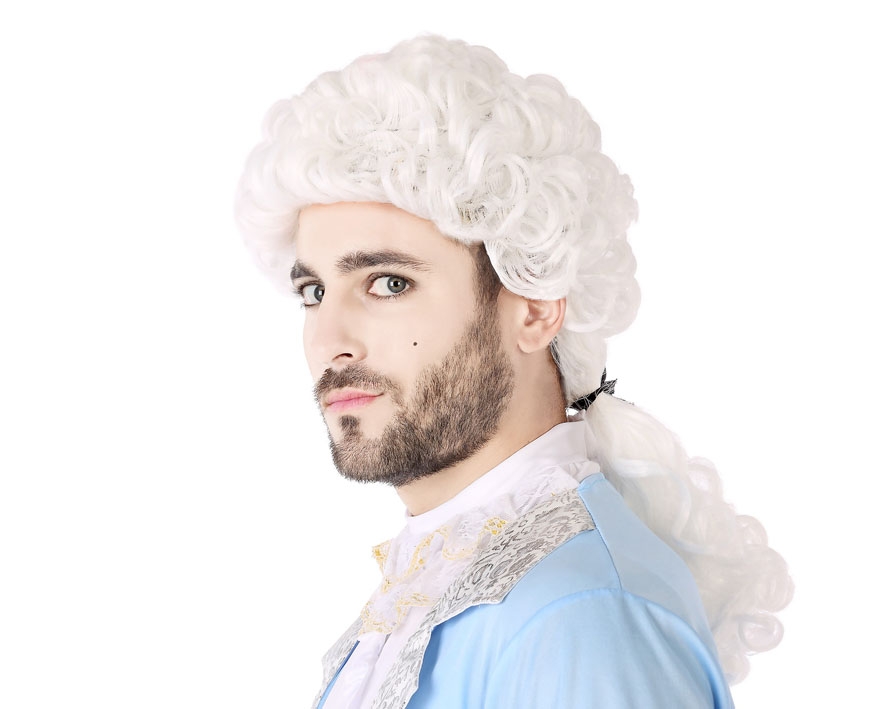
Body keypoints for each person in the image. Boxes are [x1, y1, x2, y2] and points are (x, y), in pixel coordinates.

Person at [236, 35, 792, 708]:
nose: (330, 341)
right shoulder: (445, 587)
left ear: (534, 306)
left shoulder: (579, 616)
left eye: (388, 283)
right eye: (314, 292)